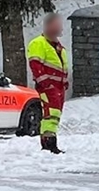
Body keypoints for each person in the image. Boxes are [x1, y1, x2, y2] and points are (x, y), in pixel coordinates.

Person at [27, 13, 69, 154]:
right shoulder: (38, 43)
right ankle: (48, 144)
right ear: (49, 26)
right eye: (58, 25)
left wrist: (64, 82)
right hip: (48, 87)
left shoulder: (58, 47)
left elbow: (60, 66)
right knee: (49, 115)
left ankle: (51, 142)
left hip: (58, 88)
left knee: (55, 115)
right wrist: (46, 84)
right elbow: (36, 66)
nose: (61, 28)